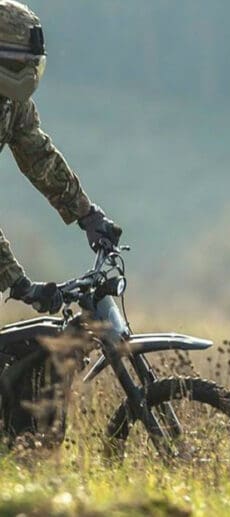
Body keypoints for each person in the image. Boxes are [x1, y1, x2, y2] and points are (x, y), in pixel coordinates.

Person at [0, 0, 122, 314]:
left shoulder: (12, 103)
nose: (27, 75)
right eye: (16, 64)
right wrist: (17, 283)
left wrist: (87, 215)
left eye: (32, 64)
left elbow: (39, 157)